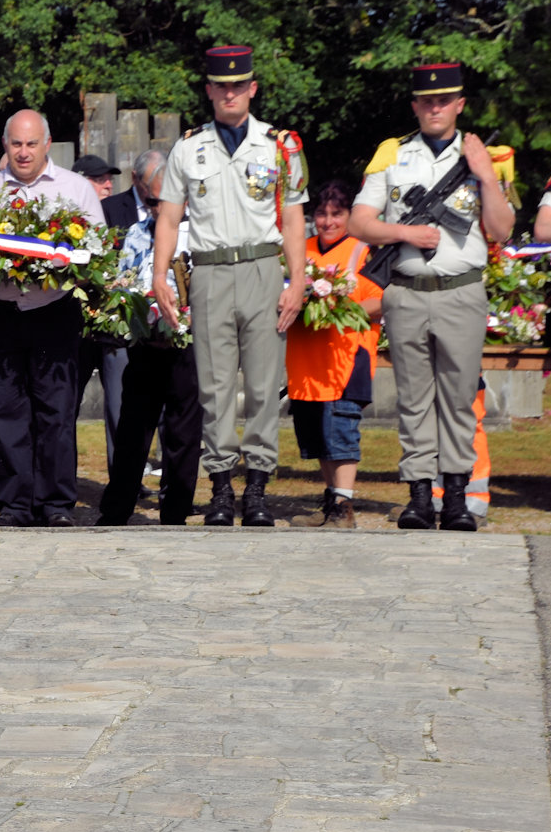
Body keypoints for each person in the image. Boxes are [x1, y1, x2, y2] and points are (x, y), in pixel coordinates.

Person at [150, 46, 309, 527]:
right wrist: (160, 276)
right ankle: (221, 486)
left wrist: (297, 280)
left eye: (239, 85)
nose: (230, 93)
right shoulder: (189, 146)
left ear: (253, 88)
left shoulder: (281, 145)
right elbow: (170, 218)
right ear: (210, 91)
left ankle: (257, 486)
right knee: (215, 388)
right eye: (222, 85)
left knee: (263, 385)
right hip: (211, 272)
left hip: (262, 268)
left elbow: (295, 217)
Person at [349, 62, 512, 531]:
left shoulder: (485, 156)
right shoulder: (392, 154)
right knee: (415, 399)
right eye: (427, 100)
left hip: (461, 292)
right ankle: (420, 495)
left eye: (444, 100)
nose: (435, 107)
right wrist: (405, 232)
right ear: (416, 106)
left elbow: (501, 229)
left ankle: (457, 496)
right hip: (407, 293)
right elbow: (361, 221)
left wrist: (484, 175)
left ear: (459, 105)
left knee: (460, 399)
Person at [0, 110, 106, 527]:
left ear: (47, 144)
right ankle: (15, 504)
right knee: (6, 413)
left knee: (56, 412)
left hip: (54, 311)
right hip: (0, 313)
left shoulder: (76, 189)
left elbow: (93, 253)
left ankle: (56, 504)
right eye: (15, 144)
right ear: (5, 145)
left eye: (31, 144)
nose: (23, 153)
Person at [98, 151, 203, 526]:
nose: (160, 207)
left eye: (169, 199)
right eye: (154, 200)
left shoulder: (203, 234)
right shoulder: (137, 233)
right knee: (132, 430)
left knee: (183, 432)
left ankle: (175, 511)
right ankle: (116, 509)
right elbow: (123, 281)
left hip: (188, 346)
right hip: (145, 343)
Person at [285, 180, 382, 528]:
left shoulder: (362, 250)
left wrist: (339, 309)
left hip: (346, 356)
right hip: (306, 360)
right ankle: (331, 503)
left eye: (336, 214)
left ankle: (344, 507)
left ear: (349, 216)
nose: (328, 222)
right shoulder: (299, 248)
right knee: (317, 435)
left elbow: (382, 301)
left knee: (341, 430)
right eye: (322, 215)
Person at [70, 154, 129, 469]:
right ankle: (60, 475)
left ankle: (123, 474)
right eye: (99, 178)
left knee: (121, 404)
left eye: (110, 178)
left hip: (112, 325)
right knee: (65, 406)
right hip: (72, 326)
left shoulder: (118, 213)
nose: (108, 184)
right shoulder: (62, 219)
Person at [73, 153, 139, 229]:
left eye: (110, 179)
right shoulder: (65, 220)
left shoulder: (119, 216)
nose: (109, 186)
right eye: (100, 180)